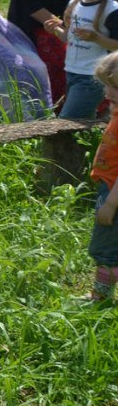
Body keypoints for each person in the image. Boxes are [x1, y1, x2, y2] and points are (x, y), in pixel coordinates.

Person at [56, 0, 118, 119]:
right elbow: (70, 38)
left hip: (92, 75)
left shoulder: (111, 10)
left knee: (68, 121)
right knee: (82, 120)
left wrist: (96, 38)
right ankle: (90, 144)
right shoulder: (74, 4)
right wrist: (56, 30)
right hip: (71, 70)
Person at [86, 52, 118, 301]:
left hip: (113, 191)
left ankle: (100, 299)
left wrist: (110, 203)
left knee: (105, 249)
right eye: (107, 84)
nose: (108, 92)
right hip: (110, 187)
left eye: (115, 87)